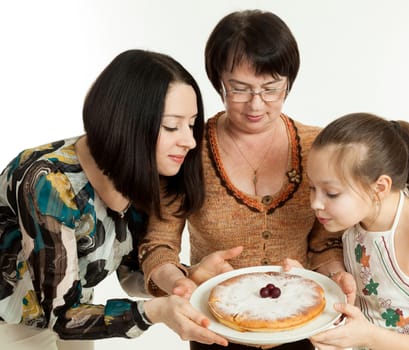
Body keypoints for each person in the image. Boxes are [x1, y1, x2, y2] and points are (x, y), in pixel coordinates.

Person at [0, 49, 236, 349]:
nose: (190, 141)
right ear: (127, 121)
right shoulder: (46, 181)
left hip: (76, 311)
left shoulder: (146, 173)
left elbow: (131, 275)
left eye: (191, 124)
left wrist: (182, 280)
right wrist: (155, 313)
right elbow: (61, 317)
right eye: (171, 126)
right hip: (11, 322)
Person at [138, 9, 345, 350]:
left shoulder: (317, 147)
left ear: (288, 83)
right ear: (218, 81)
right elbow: (158, 244)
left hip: (302, 326)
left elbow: (325, 241)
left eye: (271, 89)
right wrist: (181, 284)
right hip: (216, 330)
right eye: (239, 88)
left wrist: (337, 275)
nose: (256, 104)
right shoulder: (188, 148)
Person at [302, 112, 409, 350]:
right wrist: (303, 281)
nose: (315, 203)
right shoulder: (352, 222)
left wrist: (368, 336)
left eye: (332, 193)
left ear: (379, 187)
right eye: (312, 187)